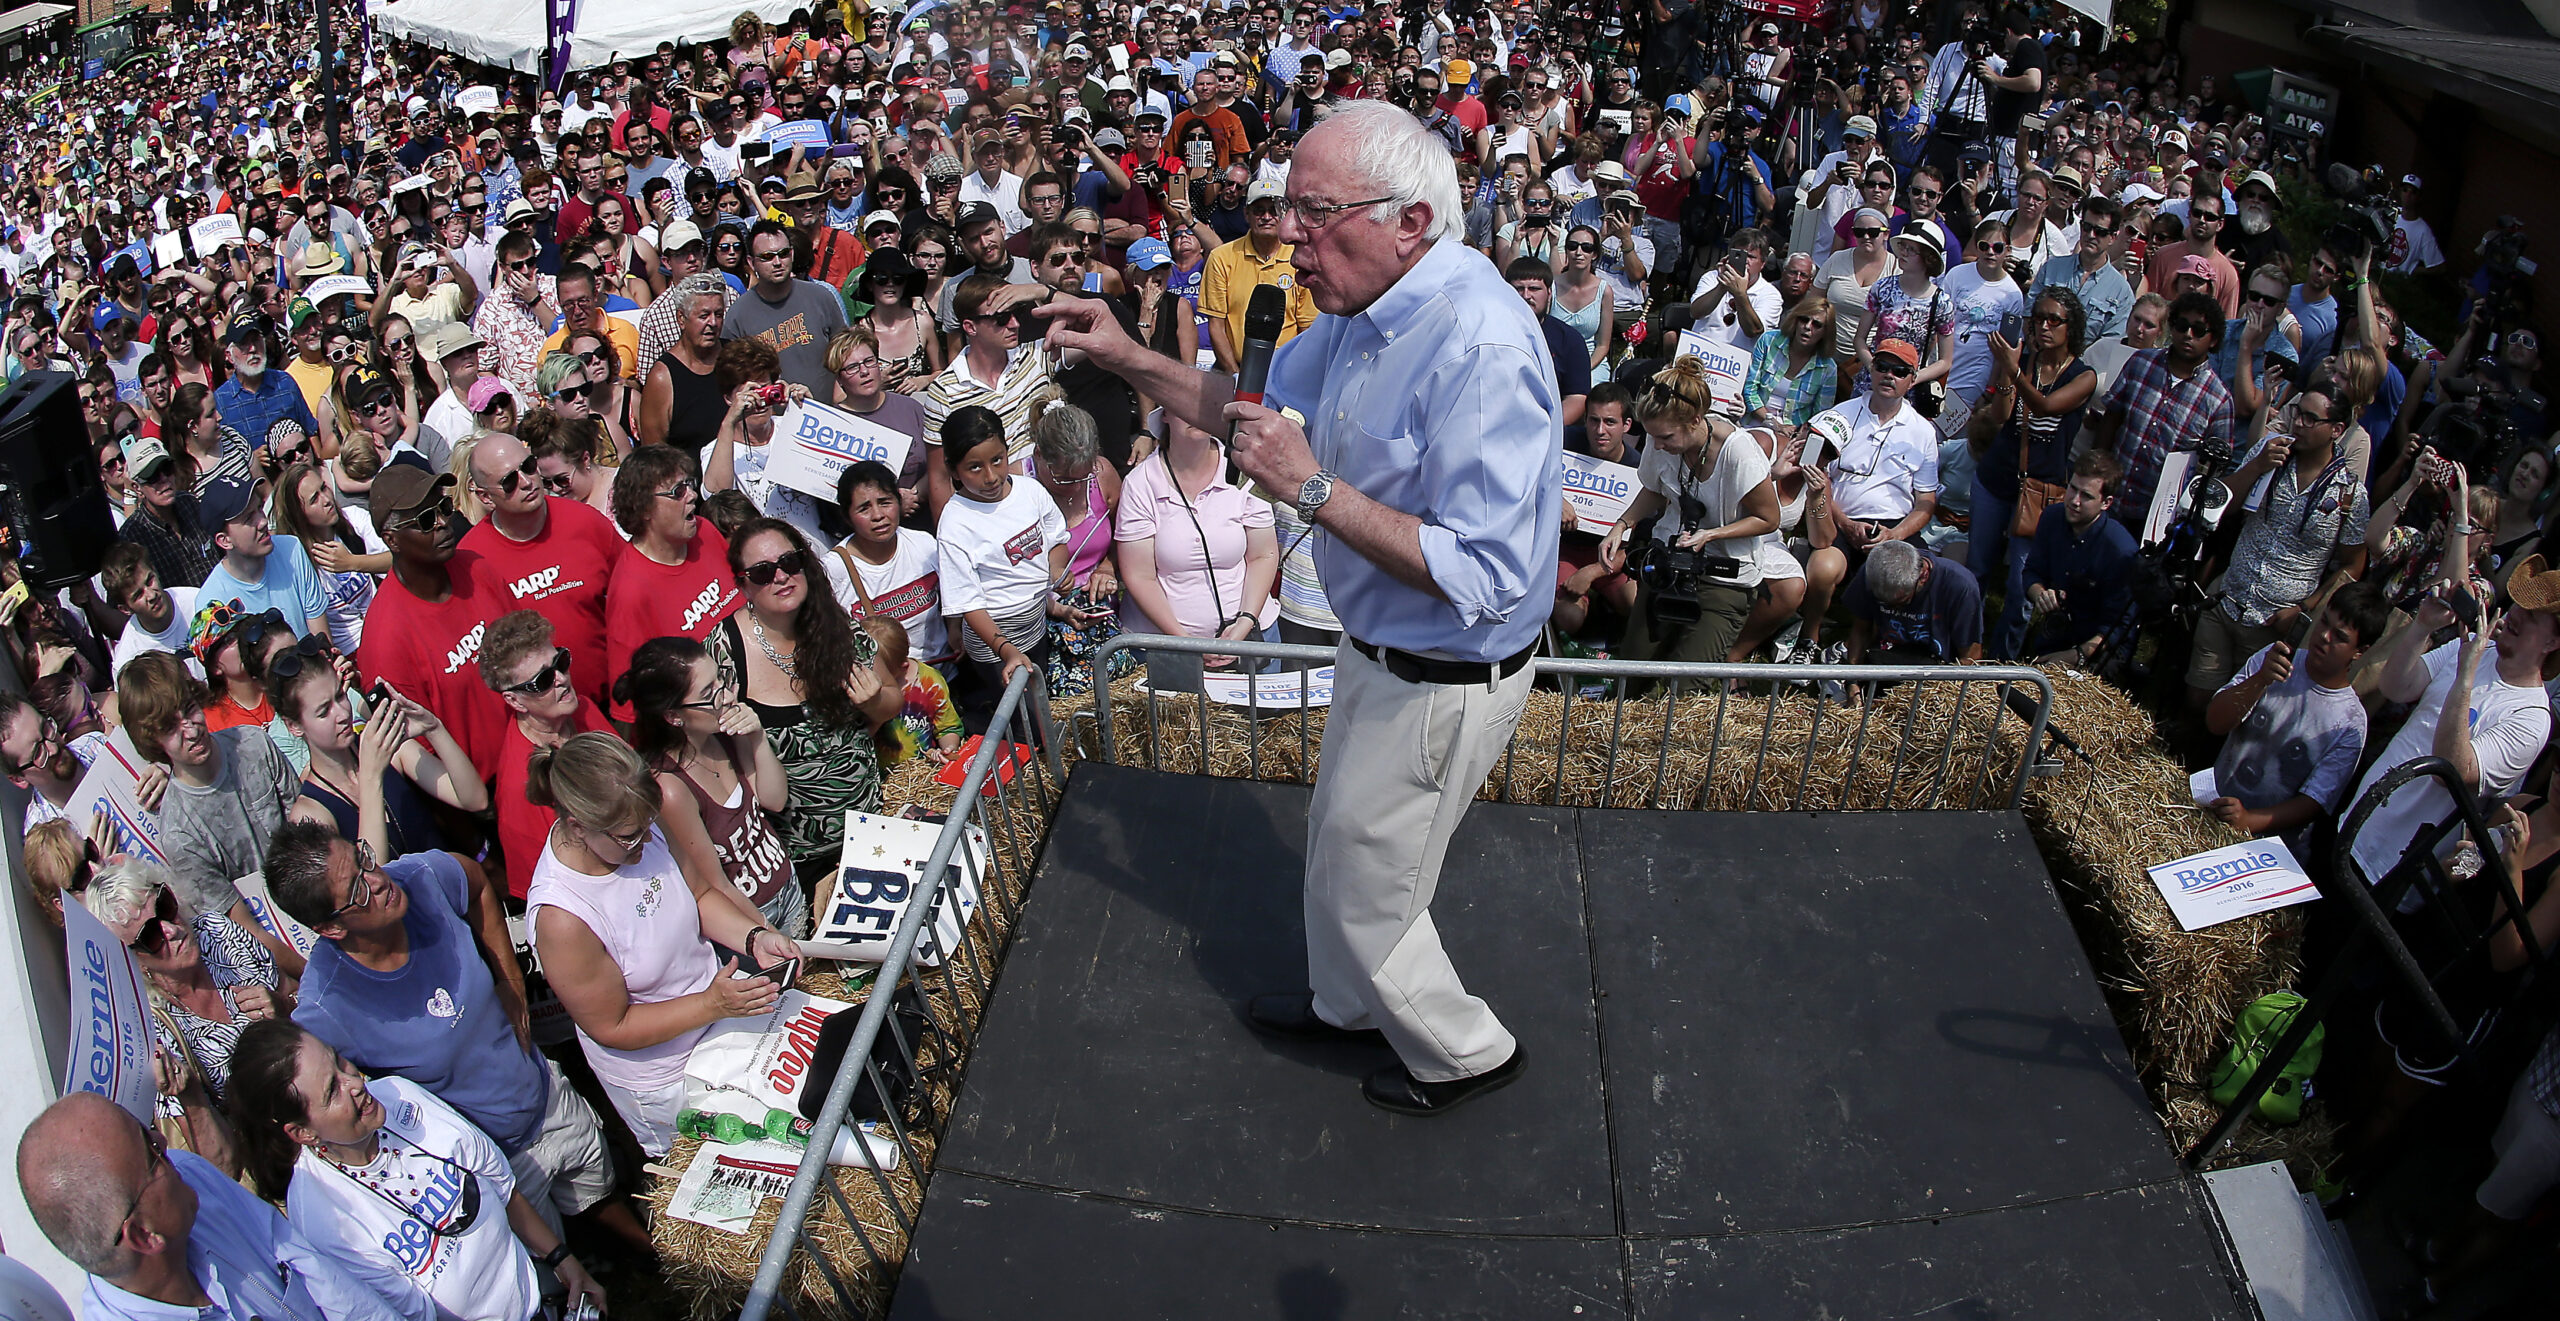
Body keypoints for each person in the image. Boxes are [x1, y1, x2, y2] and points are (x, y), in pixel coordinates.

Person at [1039, 100, 1553, 1115]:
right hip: (1375, 648)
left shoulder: (1479, 348)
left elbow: (1486, 573)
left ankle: (1464, 1053)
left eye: (1317, 213)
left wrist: (1311, 490)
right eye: (1287, 208)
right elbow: (1244, 406)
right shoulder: (1369, 309)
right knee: (1336, 842)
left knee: (1375, 891)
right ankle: (1346, 1004)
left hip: (1441, 674)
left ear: (1410, 220)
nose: (1290, 236)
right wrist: (1129, 357)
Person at [524, 731, 799, 1157]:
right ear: (577, 825)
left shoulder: (641, 824)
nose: (643, 844)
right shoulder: (563, 918)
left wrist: (753, 937)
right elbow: (612, 1027)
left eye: (648, 825)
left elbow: (700, 894)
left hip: (721, 1024)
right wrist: (713, 1004)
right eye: (628, 837)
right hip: (667, 1078)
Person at [224, 1022, 601, 1321]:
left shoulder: (401, 1095)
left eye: (339, 1062)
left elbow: (501, 1187)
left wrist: (561, 1261)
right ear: (302, 1132)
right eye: (332, 1092)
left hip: (538, 1290)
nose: (355, 1083)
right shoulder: (324, 1219)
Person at [17, 1092, 404, 1321]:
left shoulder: (189, 1180)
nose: (164, 1143)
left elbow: (314, 1271)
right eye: (152, 1153)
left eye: (146, 1129)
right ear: (143, 1235)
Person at [709, 518, 898, 884]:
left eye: (790, 563)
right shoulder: (724, 652)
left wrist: (872, 701)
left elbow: (892, 700)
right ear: (743, 585)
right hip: (793, 856)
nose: (780, 576)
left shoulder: (834, 625)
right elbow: (717, 760)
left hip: (869, 828)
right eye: (763, 572)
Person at [118, 650, 306, 977]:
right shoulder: (180, 833)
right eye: (170, 727)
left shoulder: (253, 743)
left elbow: (311, 831)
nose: (190, 730)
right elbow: (248, 933)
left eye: (189, 710)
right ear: (152, 740)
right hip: (288, 951)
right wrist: (315, 971)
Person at [2186, 378, 2371, 706]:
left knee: (2241, 708)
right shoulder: (2270, 452)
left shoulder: (2349, 494)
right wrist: (2257, 466)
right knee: (2198, 693)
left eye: (2311, 419)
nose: (2299, 424)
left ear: (2337, 429)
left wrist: (2305, 609)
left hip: (2272, 627)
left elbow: (2353, 565)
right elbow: (2221, 506)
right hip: (2228, 597)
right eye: (2298, 413)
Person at [1596, 358, 1780, 667]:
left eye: (1666, 437)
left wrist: (1711, 534)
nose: (1656, 445)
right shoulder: (1660, 442)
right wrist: (1621, 525)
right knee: (1632, 671)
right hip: (1669, 564)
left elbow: (1768, 518)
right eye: (1652, 436)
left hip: (1725, 576)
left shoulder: (1739, 452)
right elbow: (1655, 489)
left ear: (1695, 420)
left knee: (1685, 688)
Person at [620, 636, 801, 935]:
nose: (727, 696)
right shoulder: (671, 789)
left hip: (788, 889)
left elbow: (774, 799)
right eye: (709, 692)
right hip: (754, 919)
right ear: (673, 716)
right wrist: (765, 933)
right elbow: (713, 885)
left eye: (721, 680)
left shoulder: (724, 733)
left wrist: (757, 739)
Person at [83, 855, 289, 1118]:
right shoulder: (150, 1032)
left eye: (165, 906)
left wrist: (283, 1004)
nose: (171, 930)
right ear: (132, 961)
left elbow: (294, 991)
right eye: (150, 936)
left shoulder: (217, 932)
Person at [2201, 581, 2391, 839]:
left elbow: (2314, 801)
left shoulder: (2350, 722)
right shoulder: (2274, 659)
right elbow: (2215, 722)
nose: (2324, 636)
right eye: (2324, 622)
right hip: (2212, 807)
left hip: (2267, 842)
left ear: (2360, 652)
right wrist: (2259, 680)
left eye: (2340, 636)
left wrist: (2249, 821)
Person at [456, 431, 624, 716]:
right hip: (544, 724)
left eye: (529, 466)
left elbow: (634, 590)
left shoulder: (584, 521)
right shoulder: (470, 561)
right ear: (484, 495)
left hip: (615, 701)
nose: (525, 482)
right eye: (509, 481)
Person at [273, 658, 481, 864]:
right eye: (324, 711)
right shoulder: (310, 814)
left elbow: (474, 799)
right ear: (293, 726)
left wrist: (434, 729)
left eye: (340, 696)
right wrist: (372, 777)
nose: (342, 714)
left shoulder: (383, 744)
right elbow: (372, 881)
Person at [1116, 409, 1280, 655]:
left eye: (1206, 405)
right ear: (1165, 416)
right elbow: (1139, 575)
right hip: (1164, 649)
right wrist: (1188, 644)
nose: (1197, 413)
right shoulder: (1140, 483)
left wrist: (1245, 623)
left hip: (1251, 640)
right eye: (1183, 405)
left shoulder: (1245, 469)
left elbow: (1263, 555)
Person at [603, 446, 740, 722]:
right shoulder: (631, 591)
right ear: (644, 509)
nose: (692, 496)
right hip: (709, 727)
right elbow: (630, 706)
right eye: (677, 492)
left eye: (689, 485)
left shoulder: (704, 532)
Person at [2088, 291, 2237, 529]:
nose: (2188, 335)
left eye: (2198, 330)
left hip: (2158, 521)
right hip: (2111, 500)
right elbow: (2111, 418)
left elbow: (2214, 470)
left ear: (2214, 339)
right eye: (2182, 325)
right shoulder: (2140, 363)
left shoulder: (2219, 400)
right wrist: (2097, 475)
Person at [2011, 452, 2140, 665]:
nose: (2074, 501)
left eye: (2087, 496)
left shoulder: (2121, 552)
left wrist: (2075, 656)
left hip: (2097, 651)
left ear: (2106, 502)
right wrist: (2041, 595)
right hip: (2056, 632)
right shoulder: (2052, 517)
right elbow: (2032, 572)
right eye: (2072, 489)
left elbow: (2118, 627)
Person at [828, 461, 950, 668]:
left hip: (946, 674)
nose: (878, 515)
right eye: (864, 508)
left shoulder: (924, 544)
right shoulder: (833, 570)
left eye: (885, 502)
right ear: (847, 517)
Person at [722, 220, 849, 396]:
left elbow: (846, 355)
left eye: (783, 254)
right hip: (771, 419)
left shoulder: (821, 297)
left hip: (826, 416)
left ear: (792, 254)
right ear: (751, 262)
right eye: (767, 256)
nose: (777, 262)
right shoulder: (736, 317)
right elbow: (735, 383)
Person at [197, 475, 329, 641]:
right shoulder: (211, 602)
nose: (262, 522)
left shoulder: (291, 548)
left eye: (259, 508)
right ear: (224, 540)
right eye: (248, 518)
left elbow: (322, 638)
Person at [1842, 537, 1984, 665]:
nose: (1895, 608)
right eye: (1884, 603)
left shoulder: (1960, 585)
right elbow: (1860, 630)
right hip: (1887, 657)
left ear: (1923, 576)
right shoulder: (1870, 574)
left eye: (1902, 601)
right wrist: (1852, 682)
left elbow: (1970, 654)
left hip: (1938, 668)